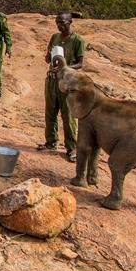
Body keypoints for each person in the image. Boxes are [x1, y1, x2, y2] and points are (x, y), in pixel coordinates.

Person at [38, 12, 86, 162]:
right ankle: (51, 141)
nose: (59, 25)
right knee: (50, 112)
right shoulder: (55, 37)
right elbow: (47, 57)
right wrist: (51, 57)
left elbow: (80, 63)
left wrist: (65, 67)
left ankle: (71, 148)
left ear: (70, 22)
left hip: (68, 81)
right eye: (57, 22)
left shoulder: (77, 40)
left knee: (68, 116)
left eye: (63, 23)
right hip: (52, 80)